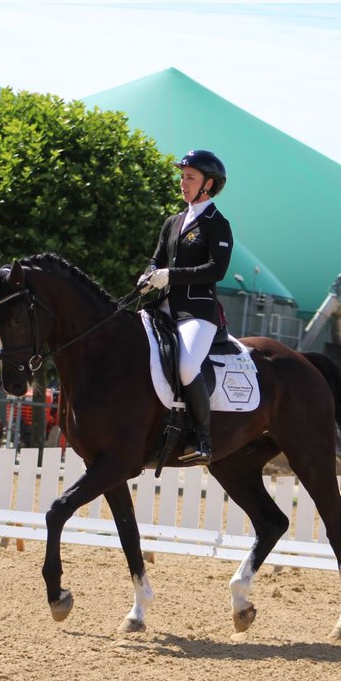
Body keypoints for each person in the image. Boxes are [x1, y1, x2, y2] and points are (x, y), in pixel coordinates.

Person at [137, 150, 232, 465]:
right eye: (182, 176)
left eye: (190, 177)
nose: (183, 182)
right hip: (163, 307)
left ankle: (203, 439)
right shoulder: (173, 221)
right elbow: (157, 257)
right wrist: (149, 273)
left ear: (209, 184)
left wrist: (170, 276)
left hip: (197, 312)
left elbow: (215, 270)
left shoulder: (217, 224)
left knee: (187, 366)